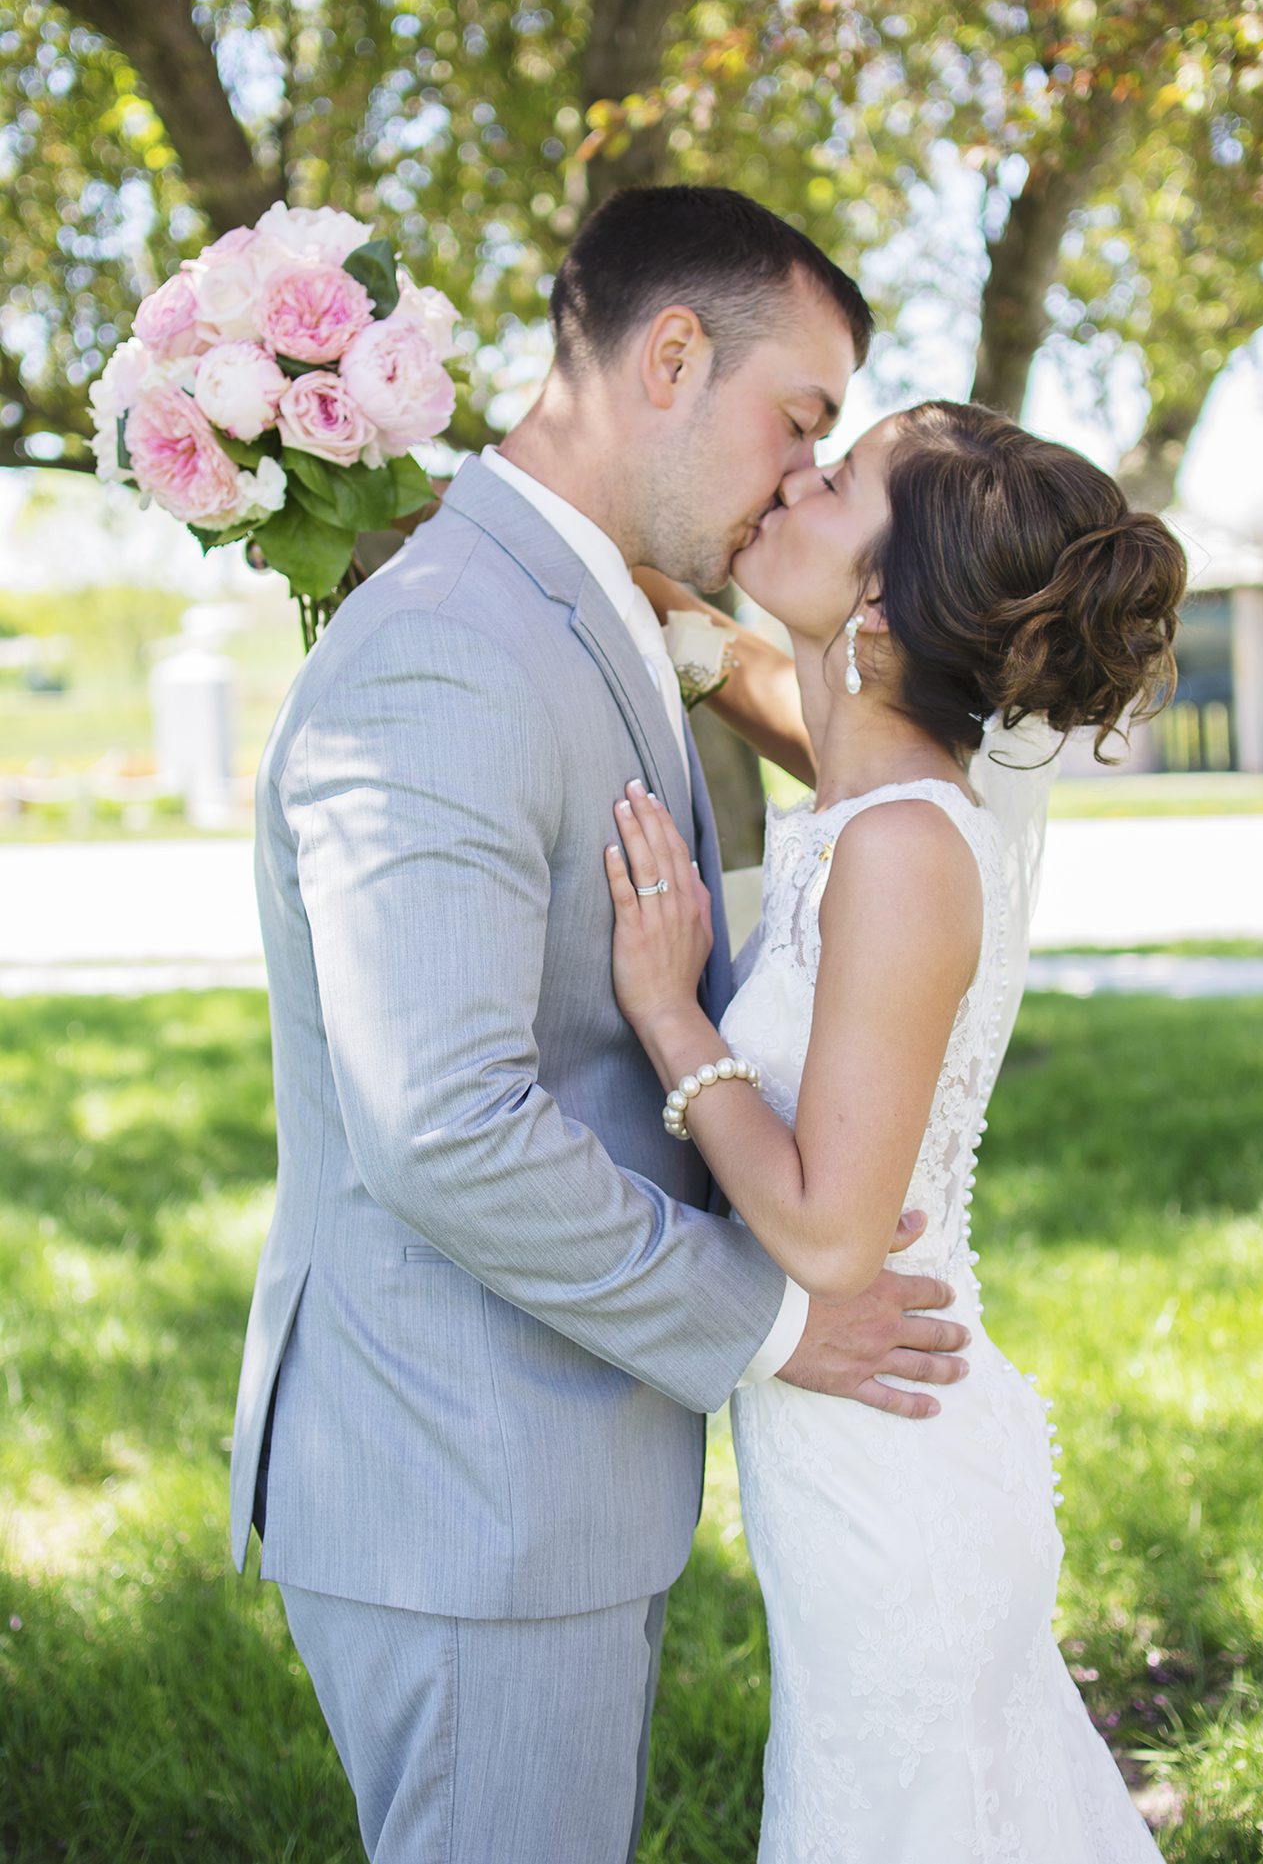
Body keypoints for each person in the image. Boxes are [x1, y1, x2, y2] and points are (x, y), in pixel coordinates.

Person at [229, 188, 978, 1863]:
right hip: (466, 1494)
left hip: (546, 1480)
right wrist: (774, 1328)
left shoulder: (577, 602)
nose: (800, 474)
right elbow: (440, 1125)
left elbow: (878, 770)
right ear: (669, 353)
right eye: (798, 420)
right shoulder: (445, 650)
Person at [607, 401, 1188, 1862]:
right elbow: (794, 694)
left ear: (875, 597)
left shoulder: (908, 846)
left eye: (838, 475)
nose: (793, 472)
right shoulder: (871, 794)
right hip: (858, 1456)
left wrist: (672, 1012)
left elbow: (825, 1230)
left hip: (896, 1486)